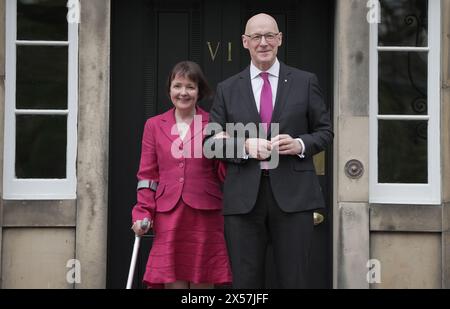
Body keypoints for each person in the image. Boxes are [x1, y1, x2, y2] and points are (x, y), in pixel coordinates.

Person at [205, 13, 333, 288]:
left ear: (279, 39)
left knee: (294, 279)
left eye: (269, 36)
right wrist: (245, 146)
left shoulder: (305, 81)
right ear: (244, 42)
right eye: (255, 37)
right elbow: (210, 143)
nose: (263, 42)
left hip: (294, 197)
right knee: (244, 283)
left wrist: (299, 145)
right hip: (243, 200)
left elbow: (325, 132)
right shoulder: (227, 89)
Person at [132, 61, 232, 289]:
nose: (183, 93)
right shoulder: (154, 125)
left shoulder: (214, 124)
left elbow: (225, 175)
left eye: (190, 87)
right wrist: (142, 211)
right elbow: (148, 175)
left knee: (202, 283)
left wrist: (227, 149)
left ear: (200, 91)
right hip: (169, 214)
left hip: (206, 213)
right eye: (177, 86)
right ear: (169, 89)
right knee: (173, 282)